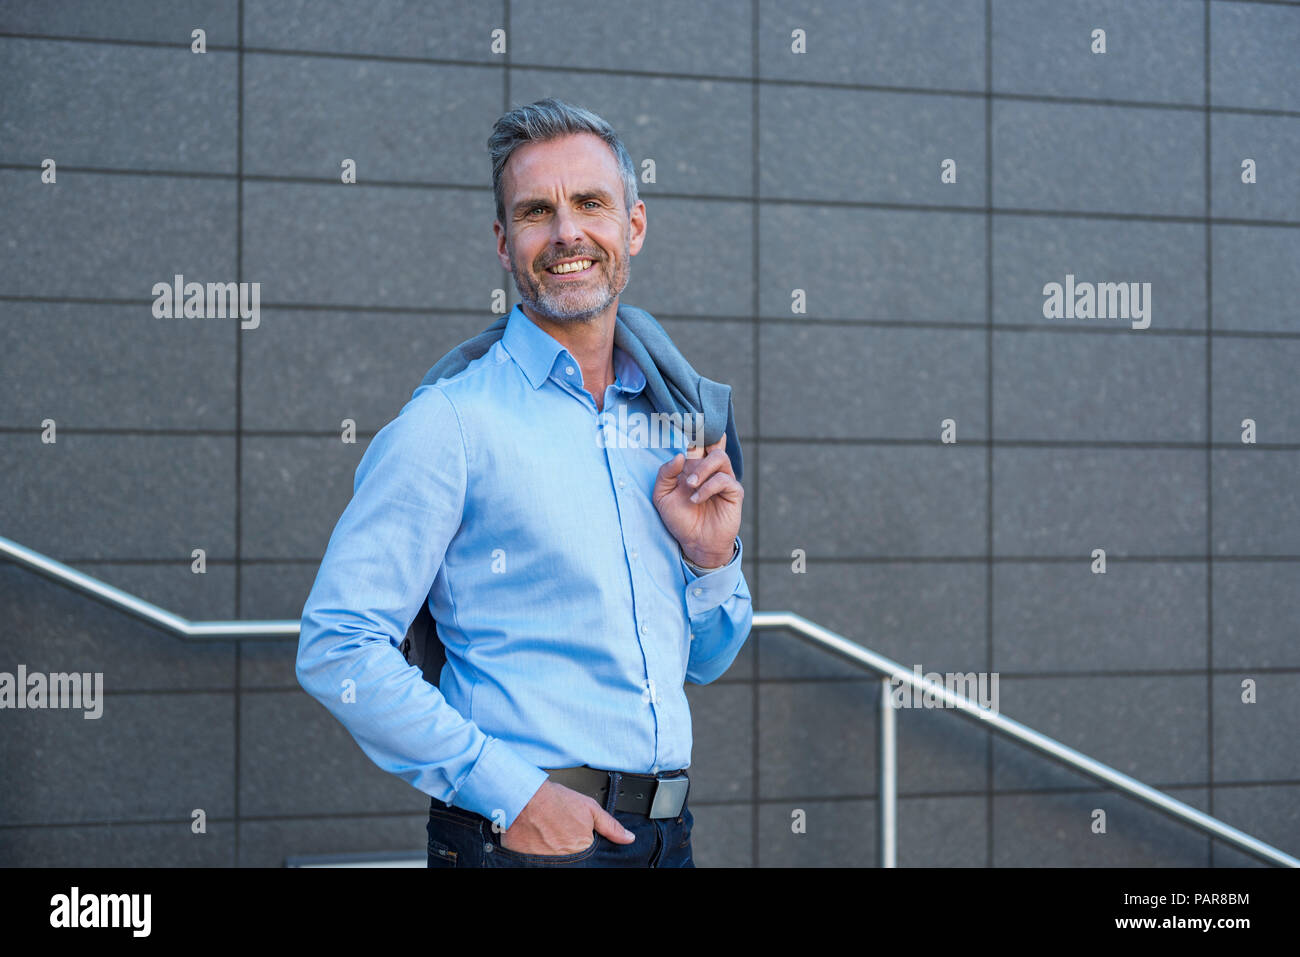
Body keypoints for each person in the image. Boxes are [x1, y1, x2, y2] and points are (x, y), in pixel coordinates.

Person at [296, 98, 752, 867]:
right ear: (504, 243)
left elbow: (706, 660)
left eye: (591, 204)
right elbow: (337, 646)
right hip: (526, 844)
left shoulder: (676, 424)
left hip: (669, 838)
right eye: (538, 211)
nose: (568, 232)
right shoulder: (451, 423)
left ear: (633, 226)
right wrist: (513, 792)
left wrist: (711, 561)